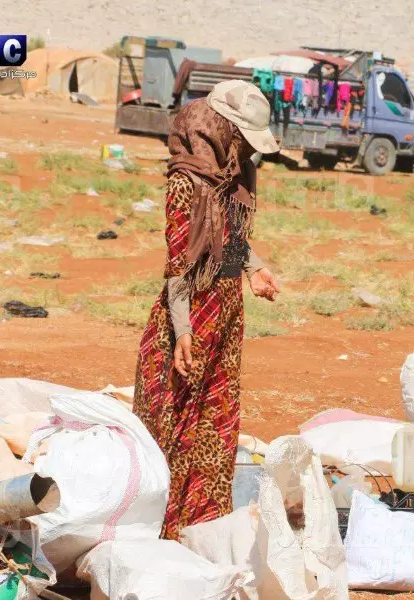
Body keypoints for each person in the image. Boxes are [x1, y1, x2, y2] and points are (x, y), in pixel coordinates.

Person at [133, 80, 281, 540]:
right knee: (175, 422)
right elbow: (179, 266)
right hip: (190, 318)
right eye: (242, 139)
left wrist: (253, 268)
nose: (248, 151)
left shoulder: (235, 175)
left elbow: (231, 238)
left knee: (215, 423)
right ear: (222, 129)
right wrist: (182, 332)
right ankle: (162, 531)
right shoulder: (186, 182)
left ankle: (203, 530)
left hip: (226, 313)